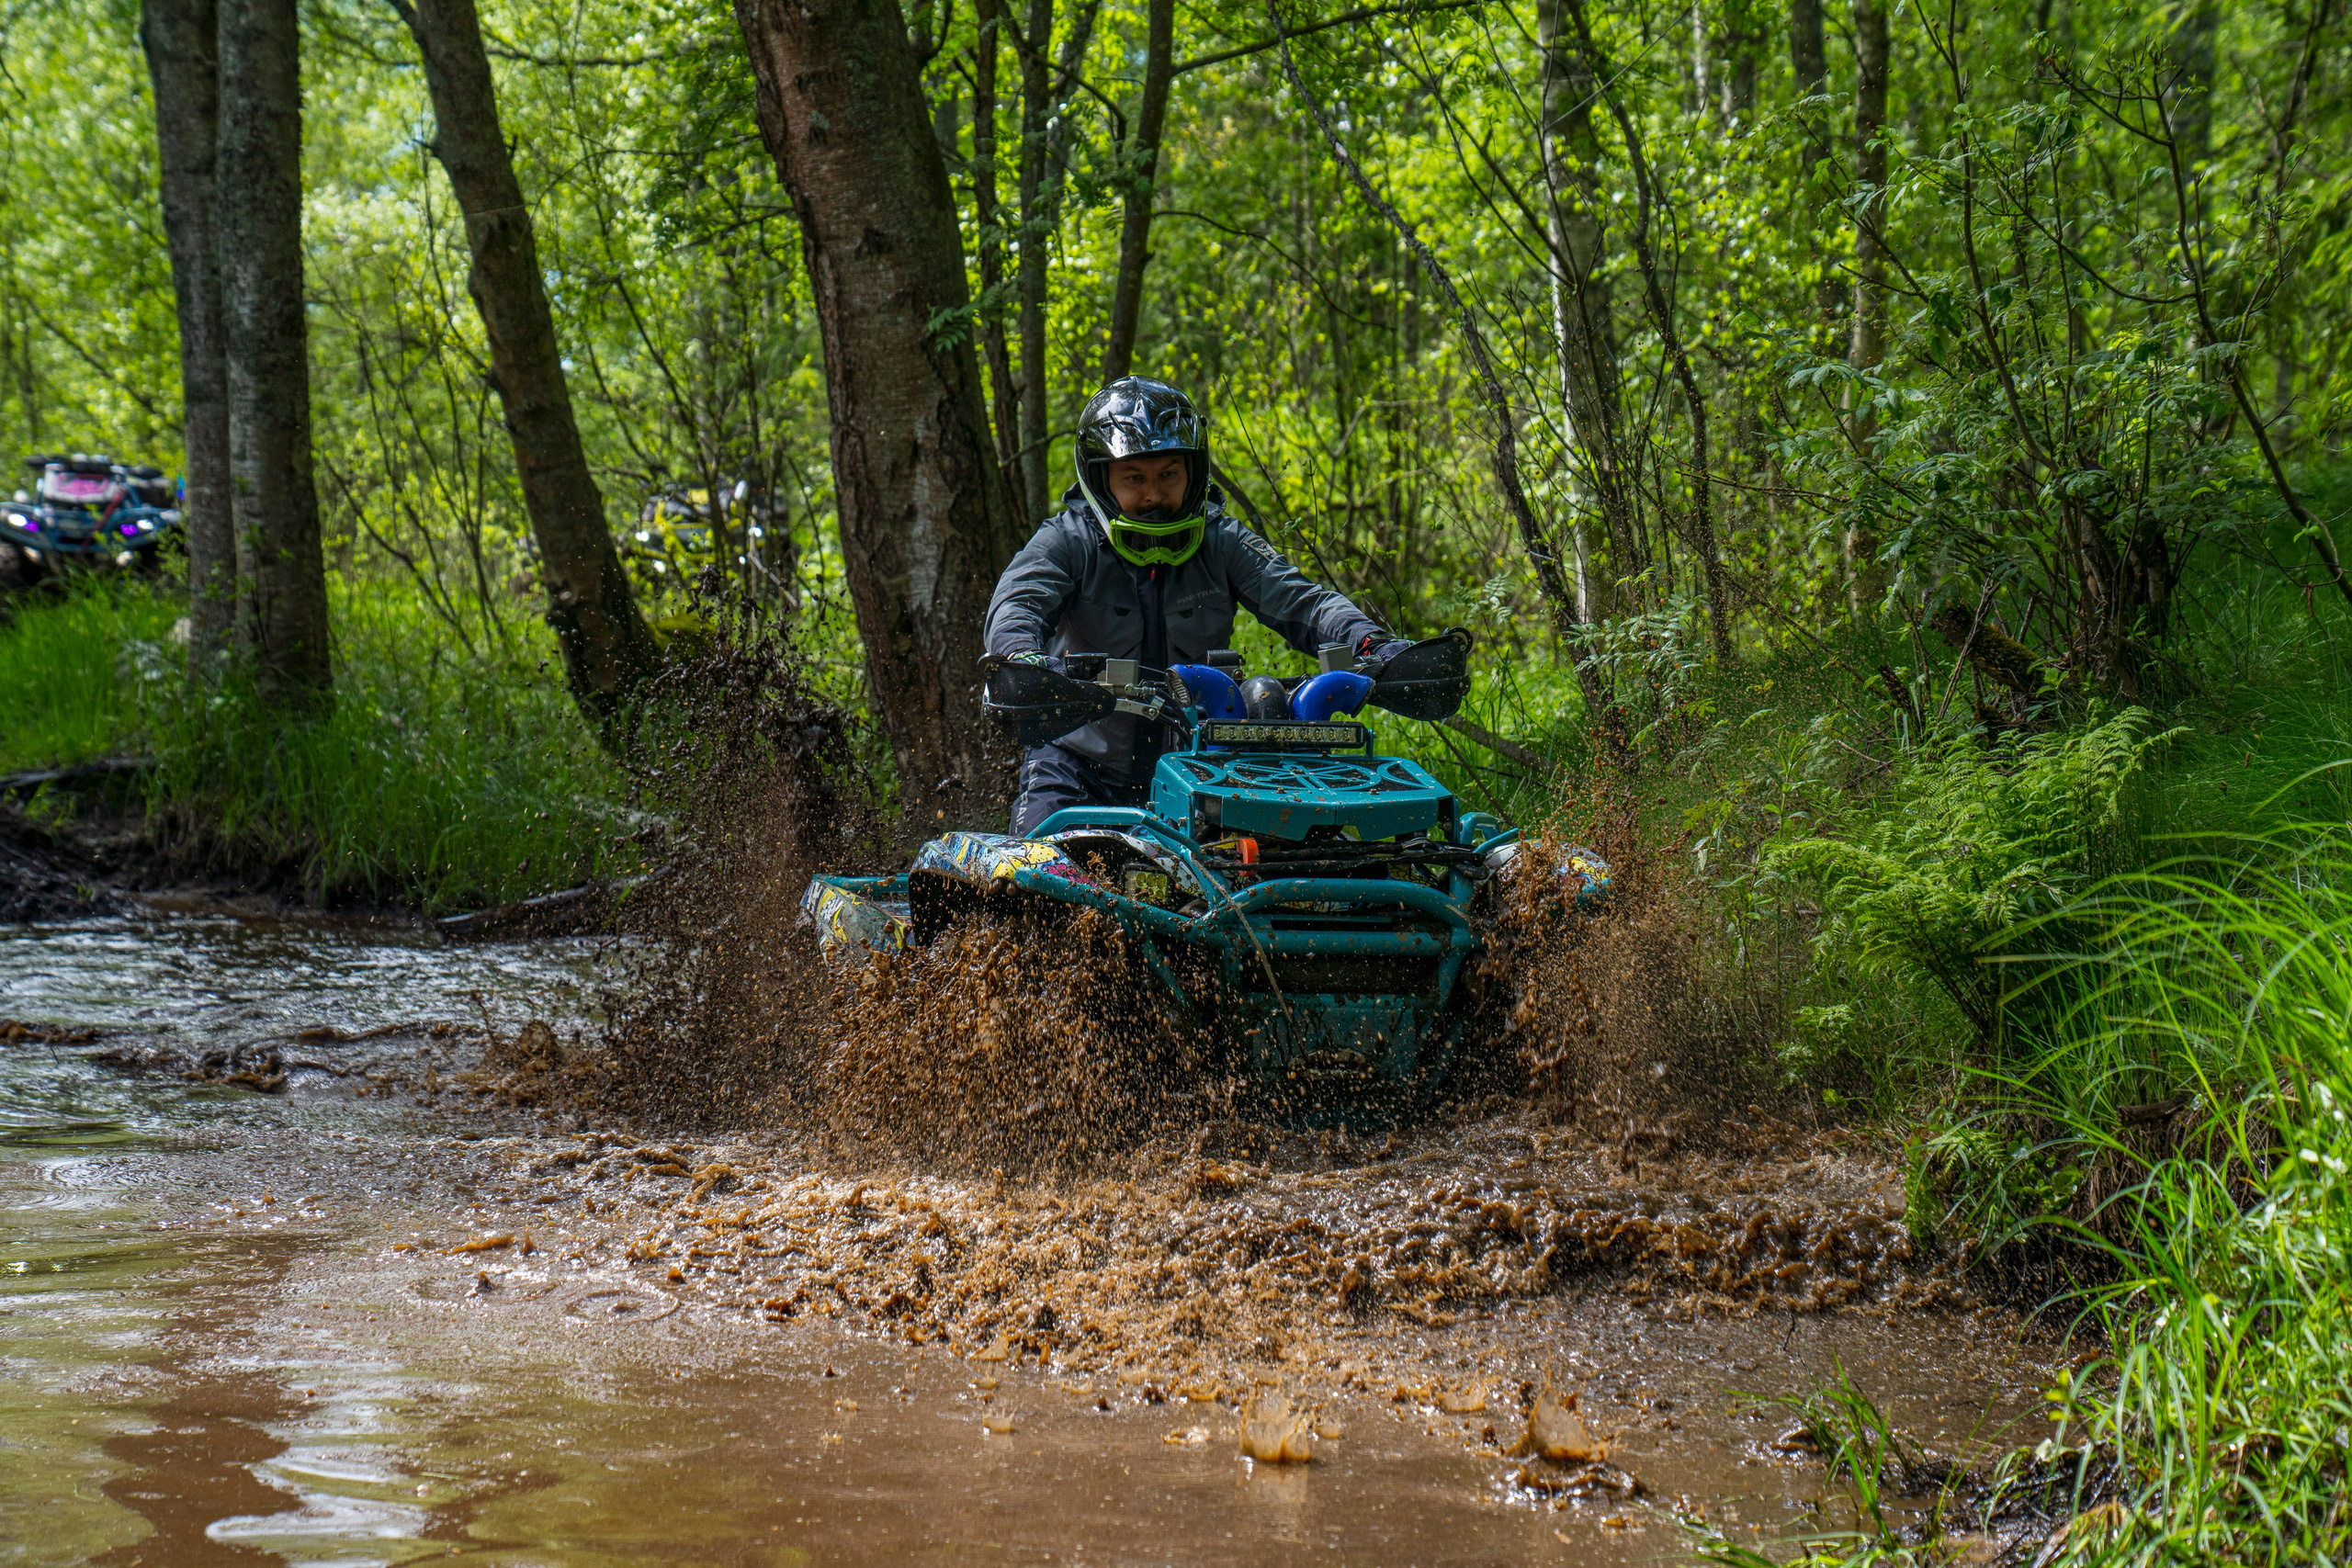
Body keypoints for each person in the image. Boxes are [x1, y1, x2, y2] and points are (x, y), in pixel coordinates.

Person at [985, 377, 1407, 836]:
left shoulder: (1222, 538)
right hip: (1076, 766)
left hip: (1203, 769)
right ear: (1101, 479)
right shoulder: (1066, 539)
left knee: (1282, 865)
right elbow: (1017, 604)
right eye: (1134, 478)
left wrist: (1374, 645)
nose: (1153, 495)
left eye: (1169, 475)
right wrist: (1022, 658)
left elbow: (1305, 602)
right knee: (1035, 880)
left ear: (1193, 471)